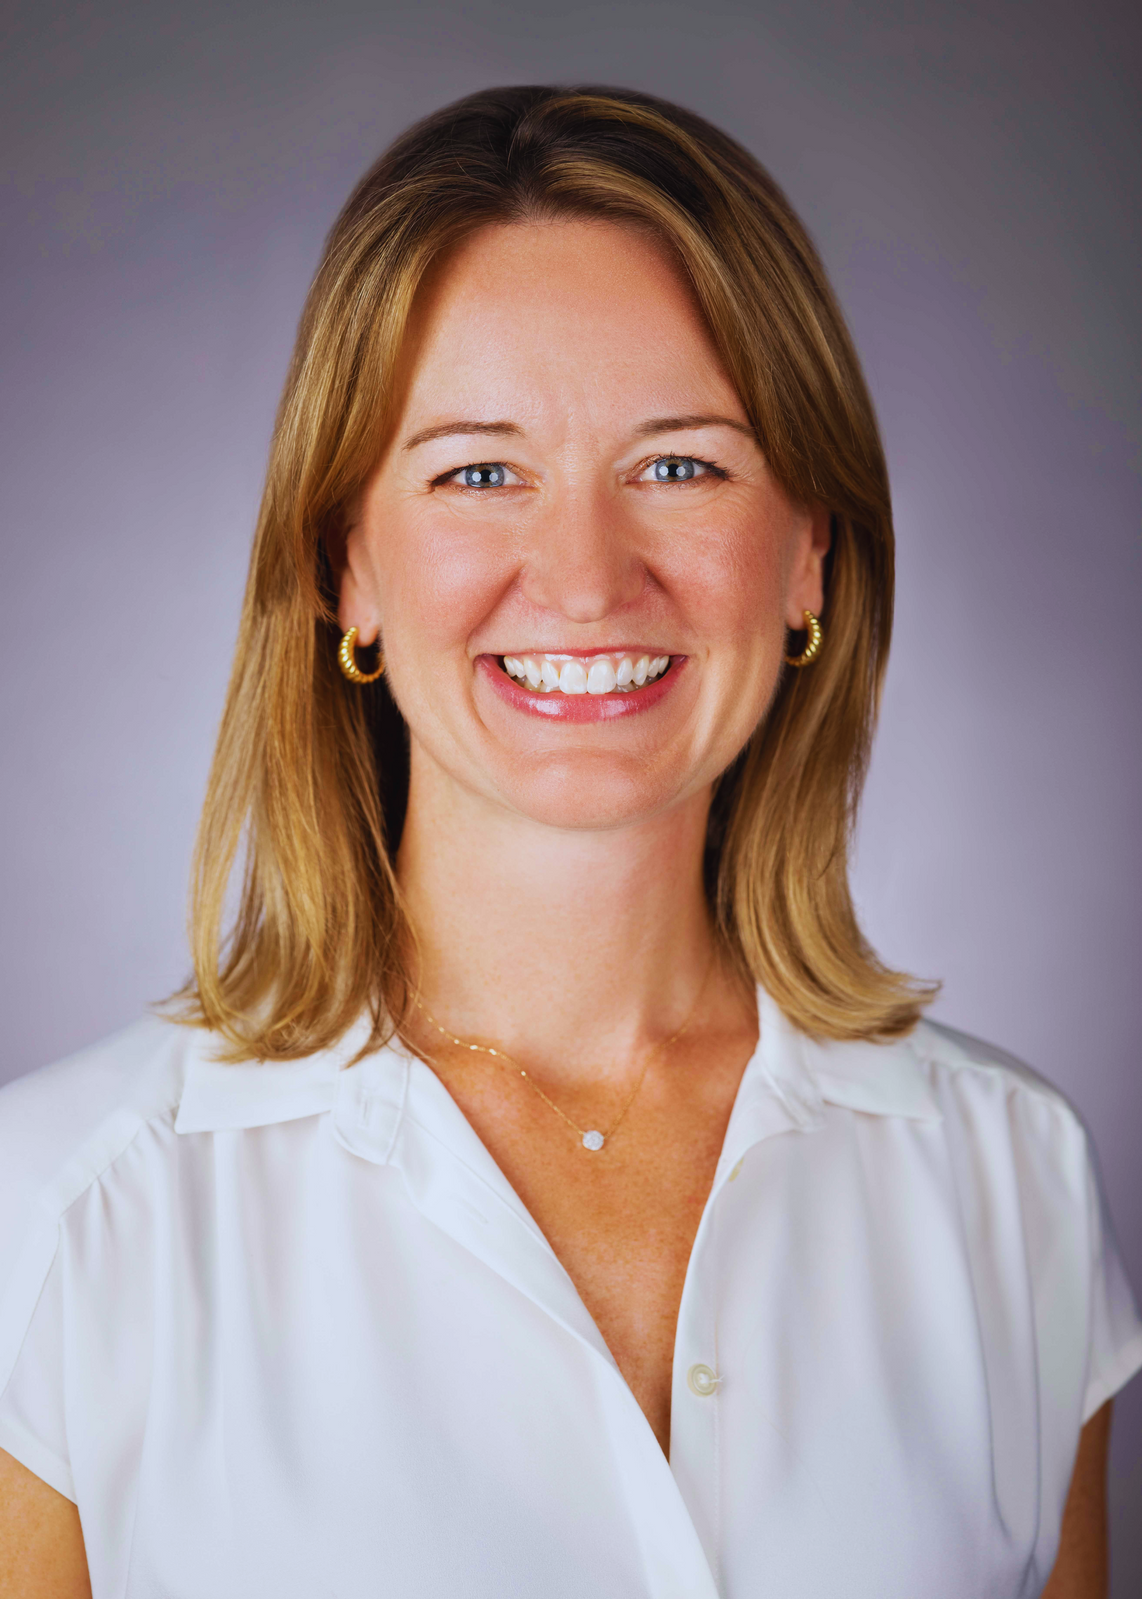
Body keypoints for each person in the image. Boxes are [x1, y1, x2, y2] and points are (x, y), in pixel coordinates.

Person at [1, 84, 1138, 1599]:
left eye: (680, 464)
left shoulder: (1012, 1181)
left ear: (810, 552)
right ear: (347, 564)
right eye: (479, 469)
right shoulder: (61, 1212)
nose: (586, 579)